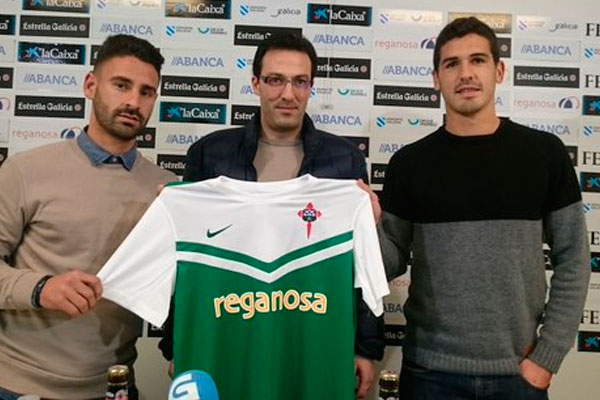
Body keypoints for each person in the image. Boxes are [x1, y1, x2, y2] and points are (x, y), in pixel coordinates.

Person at [158, 32, 384, 399]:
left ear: (311, 86)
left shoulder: (344, 160)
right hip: (230, 325)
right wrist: (178, 344)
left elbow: (361, 263)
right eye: (276, 80)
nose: (288, 94)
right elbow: (183, 259)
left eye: (300, 82)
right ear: (256, 83)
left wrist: (366, 348)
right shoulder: (210, 154)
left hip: (311, 330)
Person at [378, 17, 590, 400]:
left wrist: (548, 356)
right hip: (428, 376)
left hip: (519, 375)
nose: (466, 74)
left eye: (477, 60)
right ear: (435, 78)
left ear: (499, 70)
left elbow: (574, 257)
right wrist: (365, 223)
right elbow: (388, 262)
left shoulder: (544, 154)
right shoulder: (409, 163)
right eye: (452, 63)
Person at [0, 34, 176, 399]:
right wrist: (40, 288)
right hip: (17, 386)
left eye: (146, 92)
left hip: (114, 387)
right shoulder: (24, 171)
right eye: (121, 85)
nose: (133, 101)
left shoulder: (168, 190)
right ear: (90, 85)